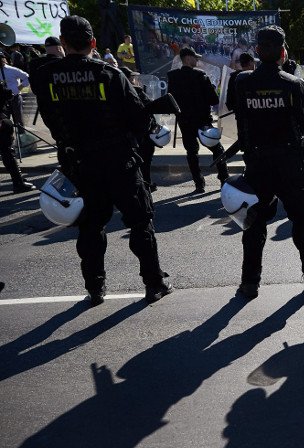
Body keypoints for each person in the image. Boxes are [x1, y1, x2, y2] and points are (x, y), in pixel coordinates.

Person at [30, 16, 172, 304]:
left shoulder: (46, 77)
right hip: (118, 160)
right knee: (140, 222)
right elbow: (138, 120)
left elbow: (49, 117)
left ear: (64, 43)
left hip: (79, 162)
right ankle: (153, 283)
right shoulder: (109, 74)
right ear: (93, 43)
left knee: (91, 226)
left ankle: (95, 287)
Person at [231, 25, 304, 299]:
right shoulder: (295, 84)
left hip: (258, 163)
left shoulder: (242, 82)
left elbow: (241, 118)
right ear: (283, 52)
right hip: (290, 163)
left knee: (254, 224)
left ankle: (250, 283)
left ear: (257, 51)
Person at [167, 46, 228, 193]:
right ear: (188, 58)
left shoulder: (173, 76)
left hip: (184, 121)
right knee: (217, 148)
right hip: (202, 121)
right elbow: (213, 99)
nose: (197, 60)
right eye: (195, 57)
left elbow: (170, 98)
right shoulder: (200, 75)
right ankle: (224, 180)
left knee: (192, 152)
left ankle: (199, 184)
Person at [121, 66, 158, 192]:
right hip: (143, 132)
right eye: (132, 77)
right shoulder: (136, 90)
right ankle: (146, 184)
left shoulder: (116, 92)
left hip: (127, 134)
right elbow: (149, 107)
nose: (135, 79)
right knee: (145, 161)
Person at [0, 52, 29, 126]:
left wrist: (19, 87)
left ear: (5, 59)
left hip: (15, 98)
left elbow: (27, 78)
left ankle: (22, 136)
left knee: (19, 122)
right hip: (3, 100)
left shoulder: (12, 70)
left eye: (2, 58)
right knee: (4, 122)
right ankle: (7, 137)